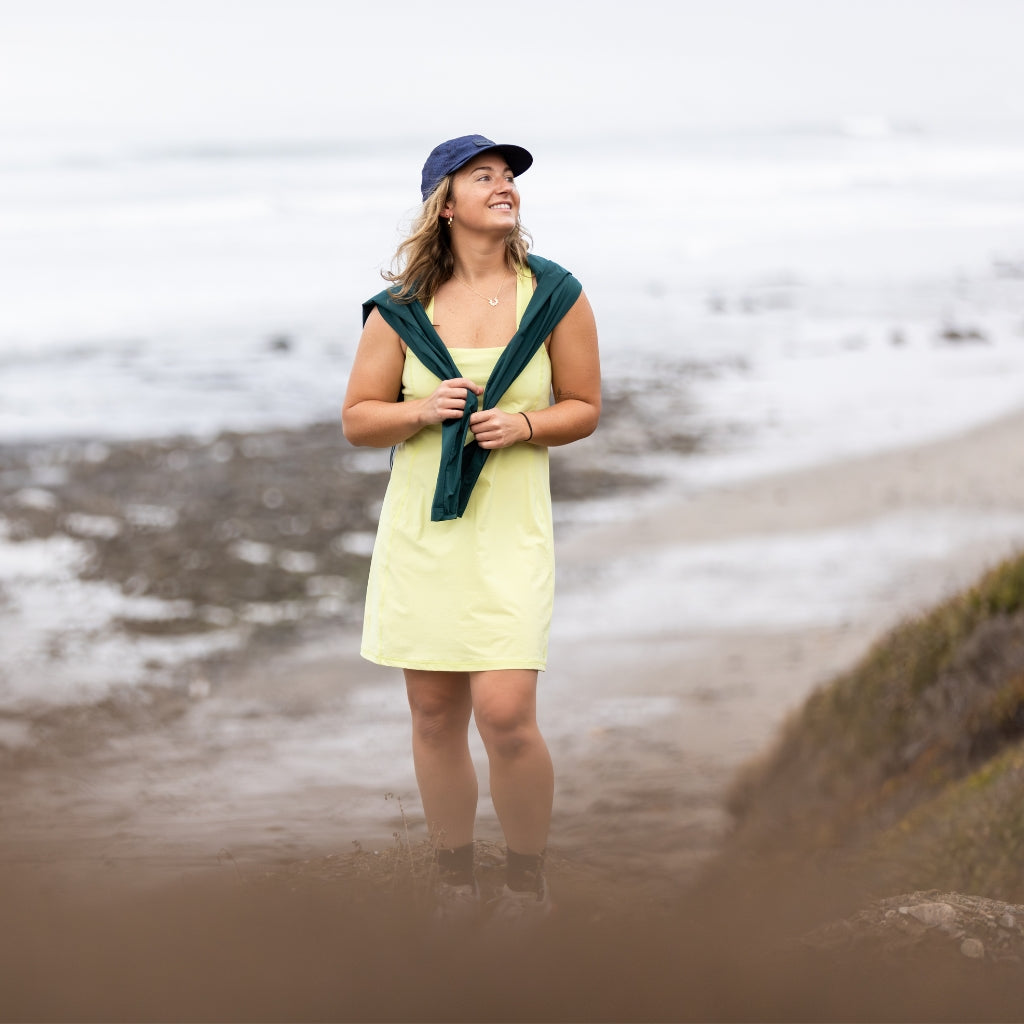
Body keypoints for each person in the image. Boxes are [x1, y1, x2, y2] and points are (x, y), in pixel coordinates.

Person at [342, 134, 600, 925]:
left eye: (509, 178)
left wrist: (524, 427)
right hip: (425, 536)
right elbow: (358, 419)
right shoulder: (400, 312)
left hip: (509, 535)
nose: (504, 187)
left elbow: (584, 407)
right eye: (483, 177)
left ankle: (527, 881)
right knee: (433, 715)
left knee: (506, 716)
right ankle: (453, 877)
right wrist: (420, 411)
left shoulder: (556, 295)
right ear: (444, 203)